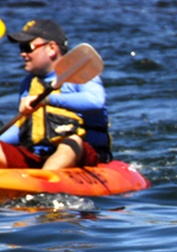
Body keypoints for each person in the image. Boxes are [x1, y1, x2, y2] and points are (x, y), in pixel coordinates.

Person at [0, 19, 111, 170]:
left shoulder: (81, 74)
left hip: (83, 154)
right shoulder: (28, 84)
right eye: (21, 48)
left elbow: (95, 101)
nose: (22, 54)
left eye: (27, 47)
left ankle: (45, 182)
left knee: (71, 142)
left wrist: (47, 99)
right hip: (38, 155)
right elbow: (22, 127)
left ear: (51, 48)